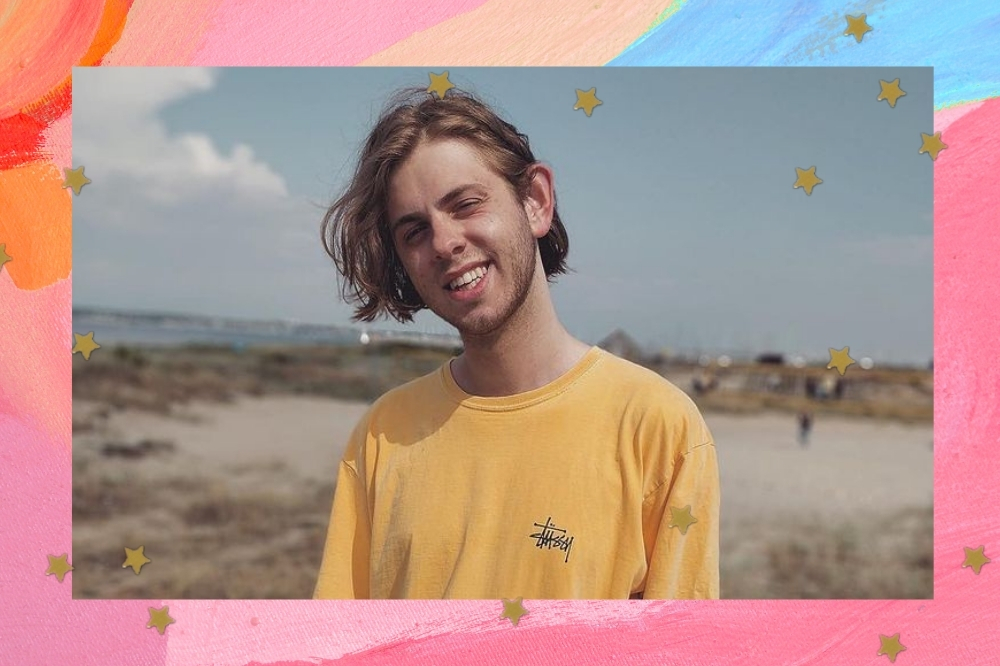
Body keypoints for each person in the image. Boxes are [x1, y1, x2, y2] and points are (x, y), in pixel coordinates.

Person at [313, 86, 720, 600]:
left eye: (465, 204)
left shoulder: (657, 428)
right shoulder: (380, 436)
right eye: (414, 231)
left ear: (535, 202)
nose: (444, 243)